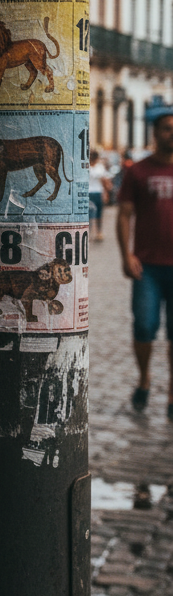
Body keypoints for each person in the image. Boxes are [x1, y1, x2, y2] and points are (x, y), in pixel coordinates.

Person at [117, 112, 173, 417]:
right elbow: (124, 214)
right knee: (144, 326)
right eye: (166, 129)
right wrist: (126, 255)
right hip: (147, 267)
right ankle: (144, 378)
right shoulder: (138, 171)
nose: (171, 134)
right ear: (155, 133)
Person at [89, 149, 112, 242]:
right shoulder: (96, 167)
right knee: (92, 214)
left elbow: (104, 180)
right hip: (92, 193)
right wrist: (106, 191)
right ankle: (94, 232)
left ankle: (97, 232)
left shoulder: (99, 167)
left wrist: (106, 192)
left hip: (96, 192)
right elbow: (105, 181)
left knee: (97, 214)